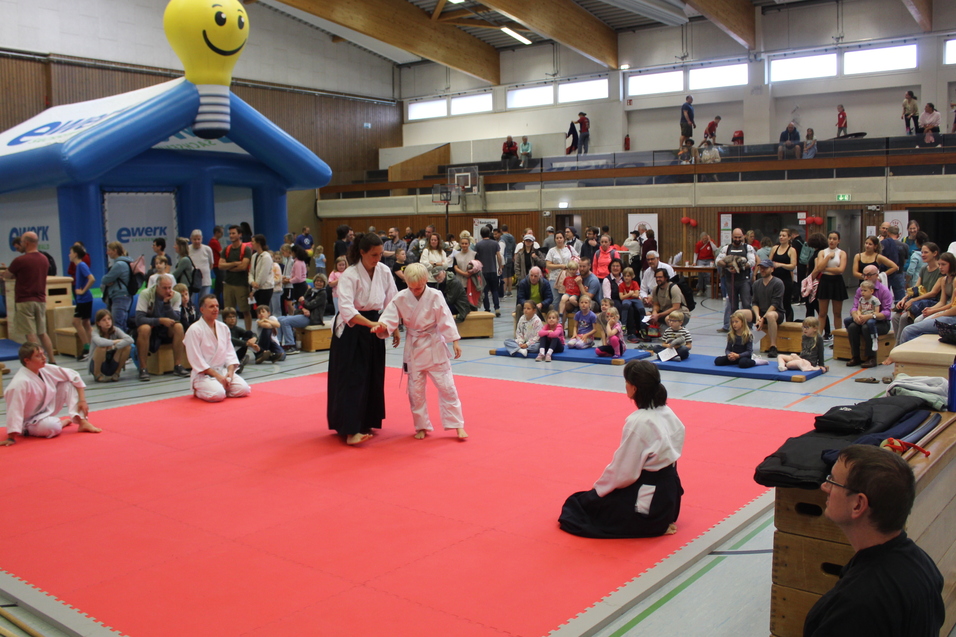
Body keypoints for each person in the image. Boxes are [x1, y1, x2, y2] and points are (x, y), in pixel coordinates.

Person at [803, 445, 944, 637]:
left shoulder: (857, 605)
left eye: (833, 481)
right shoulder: (922, 563)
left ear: (858, 504)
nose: (824, 487)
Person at [559, 359, 683, 538]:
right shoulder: (668, 412)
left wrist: (598, 491)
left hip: (648, 508)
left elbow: (624, 472)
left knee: (576, 506)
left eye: (626, 382)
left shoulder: (639, 422)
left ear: (634, 388)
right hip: (669, 498)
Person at [373, 263, 467, 441]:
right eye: (411, 287)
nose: (415, 291)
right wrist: (382, 326)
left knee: (447, 387)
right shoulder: (401, 297)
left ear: (426, 281)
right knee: (415, 392)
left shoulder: (435, 295)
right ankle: (421, 426)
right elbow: (389, 316)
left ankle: (457, 425)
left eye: (419, 287)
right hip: (414, 347)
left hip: (434, 345)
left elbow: (445, 318)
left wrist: (454, 341)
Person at [327, 232, 398, 446]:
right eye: (374, 255)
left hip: (376, 323)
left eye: (380, 254)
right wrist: (371, 324)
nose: (378, 258)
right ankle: (350, 430)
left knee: (372, 376)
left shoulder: (384, 271)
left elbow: (392, 300)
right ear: (362, 252)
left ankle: (366, 421)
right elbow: (346, 308)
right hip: (352, 329)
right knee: (353, 378)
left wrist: (393, 327)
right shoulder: (349, 274)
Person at [2, 342, 101, 446]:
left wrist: (82, 400)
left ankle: (82, 422)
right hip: (28, 422)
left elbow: (74, 376)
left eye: (43, 354)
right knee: (52, 427)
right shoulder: (19, 383)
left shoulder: (45, 369)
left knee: (67, 384)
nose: (44, 358)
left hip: (44, 410)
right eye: (38, 356)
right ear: (27, 360)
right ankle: (61, 423)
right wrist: (11, 437)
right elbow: (14, 409)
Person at [0, 231, 56, 362]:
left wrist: (9, 274)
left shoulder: (20, 260)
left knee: (30, 334)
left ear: (26, 243)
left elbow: (7, 276)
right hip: (41, 300)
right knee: (42, 333)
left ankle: (38, 360)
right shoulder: (44, 259)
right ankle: (52, 360)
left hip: (25, 301)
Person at [184, 295, 252, 402]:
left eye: (217, 306)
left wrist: (230, 372)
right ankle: (199, 390)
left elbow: (230, 352)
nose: (216, 309)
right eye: (211, 306)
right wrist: (218, 377)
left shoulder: (223, 327)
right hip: (203, 375)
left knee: (243, 389)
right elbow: (196, 360)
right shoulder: (194, 330)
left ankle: (220, 387)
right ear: (202, 310)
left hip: (221, 371)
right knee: (218, 395)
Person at [134, 275, 188, 382]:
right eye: (164, 288)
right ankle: (143, 368)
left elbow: (177, 318)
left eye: (169, 287)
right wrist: (159, 320)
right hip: (152, 328)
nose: (168, 290)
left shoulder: (175, 296)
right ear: (157, 287)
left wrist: (167, 304)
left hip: (166, 329)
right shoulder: (146, 294)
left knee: (178, 326)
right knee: (144, 328)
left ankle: (178, 365)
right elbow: (139, 319)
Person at [844, 265, 893, 368]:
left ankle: (871, 357)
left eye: (869, 275)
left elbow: (887, 313)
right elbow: (855, 307)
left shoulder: (884, 291)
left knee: (867, 327)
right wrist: (855, 315)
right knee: (852, 327)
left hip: (881, 322)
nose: (866, 278)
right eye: (864, 275)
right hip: (863, 318)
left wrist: (871, 316)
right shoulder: (860, 290)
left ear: (876, 275)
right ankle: (856, 356)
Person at [893, 241, 941, 335]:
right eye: (922, 252)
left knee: (904, 317)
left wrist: (913, 300)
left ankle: (900, 344)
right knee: (895, 317)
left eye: (926, 252)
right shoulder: (924, 269)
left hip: (931, 302)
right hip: (919, 300)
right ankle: (898, 342)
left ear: (935, 253)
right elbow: (915, 288)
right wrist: (905, 298)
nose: (923, 255)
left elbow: (933, 293)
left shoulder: (940, 271)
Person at [716, 229, 756, 332]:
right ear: (732, 237)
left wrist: (740, 267)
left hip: (744, 280)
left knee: (746, 304)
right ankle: (733, 327)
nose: (737, 239)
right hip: (730, 280)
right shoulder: (726, 248)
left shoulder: (748, 248)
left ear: (743, 237)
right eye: (735, 237)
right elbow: (718, 261)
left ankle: (748, 326)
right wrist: (727, 266)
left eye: (739, 237)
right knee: (732, 305)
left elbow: (752, 262)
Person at [276, 274, 328, 351]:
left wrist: (303, 301)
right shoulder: (310, 290)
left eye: (321, 281)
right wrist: (303, 309)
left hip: (312, 318)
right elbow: (299, 303)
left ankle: (290, 345)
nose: (318, 283)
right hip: (303, 314)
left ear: (324, 283)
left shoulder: (322, 293)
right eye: (317, 281)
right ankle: (278, 343)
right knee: (279, 319)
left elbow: (310, 305)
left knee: (285, 321)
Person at [813, 231, 847, 342]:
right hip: (825, 281)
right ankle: (818, 338)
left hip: (837, 282)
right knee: (822, 313)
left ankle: (839, 339)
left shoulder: (842, 253)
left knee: (837, 313)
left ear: (839, 241)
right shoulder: (822, 252)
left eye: (834, 238)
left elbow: (840, 270)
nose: (832, 241)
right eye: (830, 238)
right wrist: (827, 258)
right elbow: (819, 267)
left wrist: (825, 269)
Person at [747, 259, 785, 357]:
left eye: (765, 268)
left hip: (776, 313)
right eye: (761, 268)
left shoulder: (778, 283)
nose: (762, 270)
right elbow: (754, 302)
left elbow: (775, 304)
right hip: (761, 312)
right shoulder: (756, 284)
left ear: (772, 269)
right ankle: (743, 343)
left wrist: (763, 318)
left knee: (770, 315)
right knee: (739, 314)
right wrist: (758, 316)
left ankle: (773, 346)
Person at [220, 225, 253, 331]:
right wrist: (234, 263)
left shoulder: (246, 249)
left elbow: (243, 266)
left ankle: (248, 333)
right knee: (228, 312)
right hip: (228, 284)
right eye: (230, 233)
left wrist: (228, 266)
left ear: (240, 234)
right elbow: (220, 265)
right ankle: (229, 333)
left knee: (245, 311)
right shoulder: (226, 249)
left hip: (242, 285)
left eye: (233, 233)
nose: (231, 235)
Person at [89, 309, 135, 382]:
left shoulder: (115, 330)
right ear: (98, 323)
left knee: (127, 346)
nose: (107, 322)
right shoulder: (95, 332)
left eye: (109, 319)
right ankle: (97, 374)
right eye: (104, 320)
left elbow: (130, 340)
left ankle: (116, 373)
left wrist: (115, 346)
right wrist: (115, 341)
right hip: (98, 365)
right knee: (102, 348)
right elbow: (100, 343)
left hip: (112, 362)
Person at [69, 244, 95, 361]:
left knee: (76, 322)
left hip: (84, 299)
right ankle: (92, 348)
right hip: (84, 299)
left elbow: (92, 278)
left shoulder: (81, 265)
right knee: (86, 323)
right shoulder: (78, 266)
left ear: (75, 254)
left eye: (70, 252)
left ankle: (86, 348)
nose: (69, 255)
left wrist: (83, 290)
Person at [770, 230, 797, 322]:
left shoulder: (791, 250)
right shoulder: (774, 248)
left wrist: (780, 265)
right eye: (780, 235)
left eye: (784, 236)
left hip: (786, 279)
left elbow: (793, 265)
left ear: (789, 238)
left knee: (786, 303)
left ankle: (789, 324)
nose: (781, 237)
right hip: (774, 279)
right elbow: (769, 262)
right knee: (774, 303)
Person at [248, 234, 275, 311]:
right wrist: (252, 282)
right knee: (258, 310)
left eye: (253, 241)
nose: (251, 243)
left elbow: (263, 275)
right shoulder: (254, 256)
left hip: (265, 288)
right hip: (256, 287)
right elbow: (251, 272)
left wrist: (254, 288)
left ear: (258, 243)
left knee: (263, 310)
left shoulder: (266, 257)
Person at [188, 230, 214, 305]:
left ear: (202, 239)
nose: (197, 241)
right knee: (191, 302)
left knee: (204, 302)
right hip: (192, 281)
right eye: (194, 239)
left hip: (205, 281)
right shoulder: (187, 249)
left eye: (199, 239)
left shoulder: (207, 249)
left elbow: (211, 264)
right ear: (191, 239)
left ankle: (203, 316)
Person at [694, 231, 718, 296]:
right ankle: (700, 289)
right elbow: (696, 253)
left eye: (706, 238)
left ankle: (708, 289)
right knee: (700, 274)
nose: (705, 240)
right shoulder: (698, 244)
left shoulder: (711, 242)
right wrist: (694, 262)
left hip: (709, 260)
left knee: (708, 274)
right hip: (701, 260)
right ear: (701, 239)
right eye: (703, 239)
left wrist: (710, 241)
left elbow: (715, 249)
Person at [209, 226, 224, 303]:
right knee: (220, 286)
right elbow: (221, 253)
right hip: (218, 266)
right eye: (221, 233)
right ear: (217, 233)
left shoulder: (215, 242)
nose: (222, 234)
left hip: (217, 266)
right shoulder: (214, 242)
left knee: (219, 285)